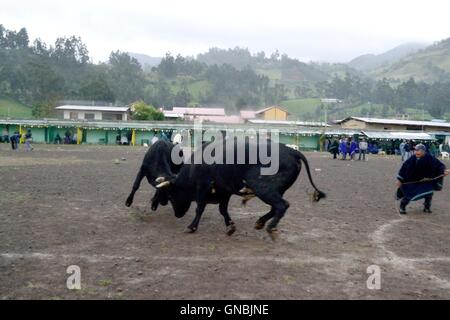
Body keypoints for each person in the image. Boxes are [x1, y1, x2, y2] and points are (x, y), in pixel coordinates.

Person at [396, 144, 449, 214]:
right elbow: (403, 169)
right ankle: (402, 206)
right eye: (415, 150)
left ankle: (427, 207)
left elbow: (439, 165)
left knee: (429, 192)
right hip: (413, 181)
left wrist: (443, 171)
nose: (416, 152)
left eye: (419, 150)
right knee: (409, 194)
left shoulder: (430, 158)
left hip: (426, 180)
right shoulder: (411, 159)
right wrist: (399, 179)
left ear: (424, 151)